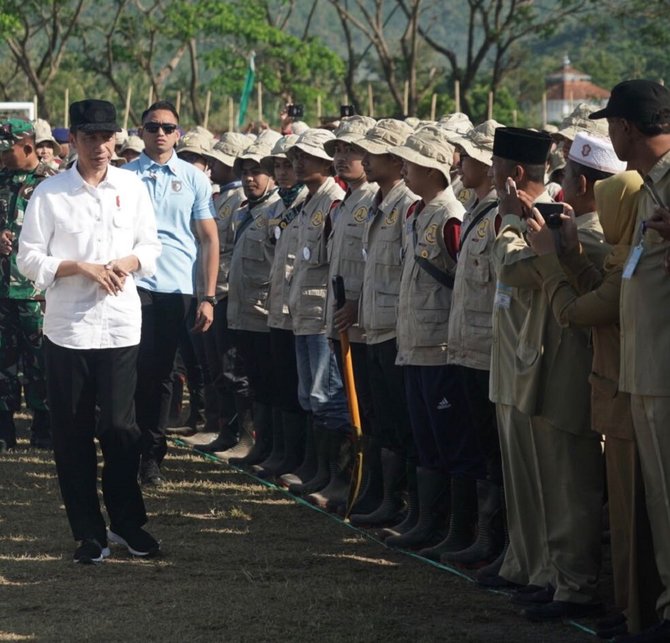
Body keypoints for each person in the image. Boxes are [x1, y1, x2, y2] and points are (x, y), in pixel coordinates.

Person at [17, 99, 162, 563]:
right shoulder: (51, 193)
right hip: (69, 328)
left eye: (108, 137)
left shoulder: (133, 187)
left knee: (120, 428)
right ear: (73, 141)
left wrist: (127, 261)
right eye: (91, 137)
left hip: (120, 325)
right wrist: (76, 267)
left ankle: (126, 522)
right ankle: (88, 532)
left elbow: (152, 245)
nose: (101, 146)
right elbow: (28, 258)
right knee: (72, 433)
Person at [526, 142, 662, 637]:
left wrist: (546, 259)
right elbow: (592, 288)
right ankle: (629, 607)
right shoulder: (624, 257)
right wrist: (570, 253)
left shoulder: (633, 261)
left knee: (634, 522)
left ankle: (639, 612)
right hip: (617, 396)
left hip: (631, 399)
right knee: (627, 521)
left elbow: (576, 311)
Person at [489, 126, 608, 621]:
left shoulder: (592, 237)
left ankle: (575, 585)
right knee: (547, 486)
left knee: (570, 489)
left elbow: (513, 268)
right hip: (542, 368)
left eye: (571, 177)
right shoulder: (562, 229)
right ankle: (551, 576)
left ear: (584, 185)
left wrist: (518, 228)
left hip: (573, 375)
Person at [590, 79, 670, 643]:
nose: (611, 133)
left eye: (612, 124)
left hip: (665, 370)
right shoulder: (648, 187)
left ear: (627, 127)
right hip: (644, 367)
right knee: (660, 505)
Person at [385, 125, 485, 556]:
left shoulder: (451, 216)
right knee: (424, 438)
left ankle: (457, 529)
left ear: (430, 169)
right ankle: (427, 520)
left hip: (442, 347)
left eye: (410, 163)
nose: (404, 169)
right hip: (414, 344)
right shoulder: (418, 213)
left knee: (452, 442)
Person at [124, 100, 219, 485]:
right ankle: (125, 445)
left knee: (162, 373)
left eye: (167, 127)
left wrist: (207, 296)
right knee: (131, 370)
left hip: (176, 287)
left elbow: (209, 238)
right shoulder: (125, 177)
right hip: (133, 283)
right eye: (152, 126)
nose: (160, 133)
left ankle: (151, 455)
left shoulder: (194, 179)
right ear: (140, 131)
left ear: (178, 133)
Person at [345, 119, 419, 531]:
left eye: (372, 153)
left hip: (396, 329)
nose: (365, 160)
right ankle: (377, 491)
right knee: (375, 417)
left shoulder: (408, 204)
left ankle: (398, 501)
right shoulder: (378, 202)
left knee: (396, 421)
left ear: (395, 158)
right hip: (372, 324)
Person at [441, 120, 506, 569]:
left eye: (467, 156)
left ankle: (495, 542)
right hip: (466, 345)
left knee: (494, 454)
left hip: (490, 351)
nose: (459, 163)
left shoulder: (501, 212)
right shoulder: (478, 210)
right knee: (478, 448)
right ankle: (478, 536)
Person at [312, 115, 378, 513]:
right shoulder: (346, 200)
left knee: (361, 409)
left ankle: (362, 486)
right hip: (338, 317)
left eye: (350, 150)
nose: (341, 157)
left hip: (365, 322)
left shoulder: (374, 199)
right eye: (337, 150)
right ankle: (344, 480)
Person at [283, 128, 351, 501]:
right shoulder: (308, 201)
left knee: (327, 395)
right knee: (310, 394)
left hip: (322, 311)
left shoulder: (333, 200)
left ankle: (335, 477)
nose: (297, 163)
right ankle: (318, 469)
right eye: (295, 157)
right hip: (304, 310)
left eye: (305, 157)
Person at [219, 129, 283, 466]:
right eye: (244, 171)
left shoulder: (276, 211)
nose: (249, 178)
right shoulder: (245, 211)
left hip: (264, 312)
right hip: (240, 308)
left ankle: (264, 445)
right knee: (245, 377)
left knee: (266, 383)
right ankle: (249, 439)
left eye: (256, 171)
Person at [253, 134, 309, 479]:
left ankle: (302, 459)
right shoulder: (276, 208)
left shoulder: (310, 203)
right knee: (279, 381)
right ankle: (281, 451)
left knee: (302, 387)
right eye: (279, 165)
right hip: (276, 307)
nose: (284, 171)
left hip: (302, 309)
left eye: (289, 165)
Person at [0, 119, 57, 451]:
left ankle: (44, 427)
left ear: (27, 147)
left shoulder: (52, 183)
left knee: (40, 363)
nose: (4, 157)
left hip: (38, 293)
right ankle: (5, 429)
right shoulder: (1, 179)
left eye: (8, 151)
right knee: (3, 362)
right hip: (3, 290)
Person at [197, 132, 254, 454]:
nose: (212, 166)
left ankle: (241, 434)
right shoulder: (220, 197)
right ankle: (224, 428)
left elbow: (227, 249)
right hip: (210, 290)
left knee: (232, 368)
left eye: (219, 160)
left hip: (224, 292)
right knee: (215, 366)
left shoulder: (237, 202)